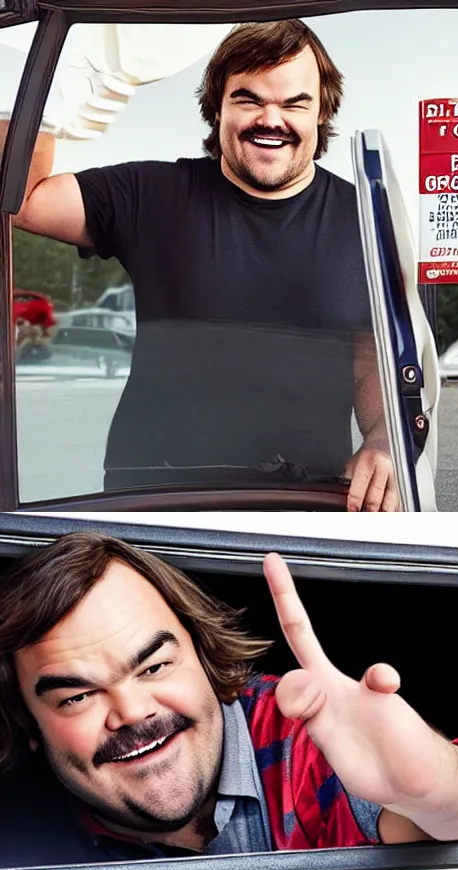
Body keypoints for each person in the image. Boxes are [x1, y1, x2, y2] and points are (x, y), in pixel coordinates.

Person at [10, 20, 397, 508]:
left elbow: (374, 364)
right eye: (249, 99)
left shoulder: (366, 221)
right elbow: (20, 199)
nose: (271, 119)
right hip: (153, 501)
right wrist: (46, 76)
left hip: (313, 499)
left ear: (322, 112)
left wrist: (385, 441)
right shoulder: (152, 196)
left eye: (295, 103)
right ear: (217, 107)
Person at [0, 531, 458, 860]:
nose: (133, 712)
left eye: (155, 666)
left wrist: (441, 785)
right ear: (28, 726)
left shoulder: (308, 742)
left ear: (203, 655)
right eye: (77, 697)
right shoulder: (23, 839)